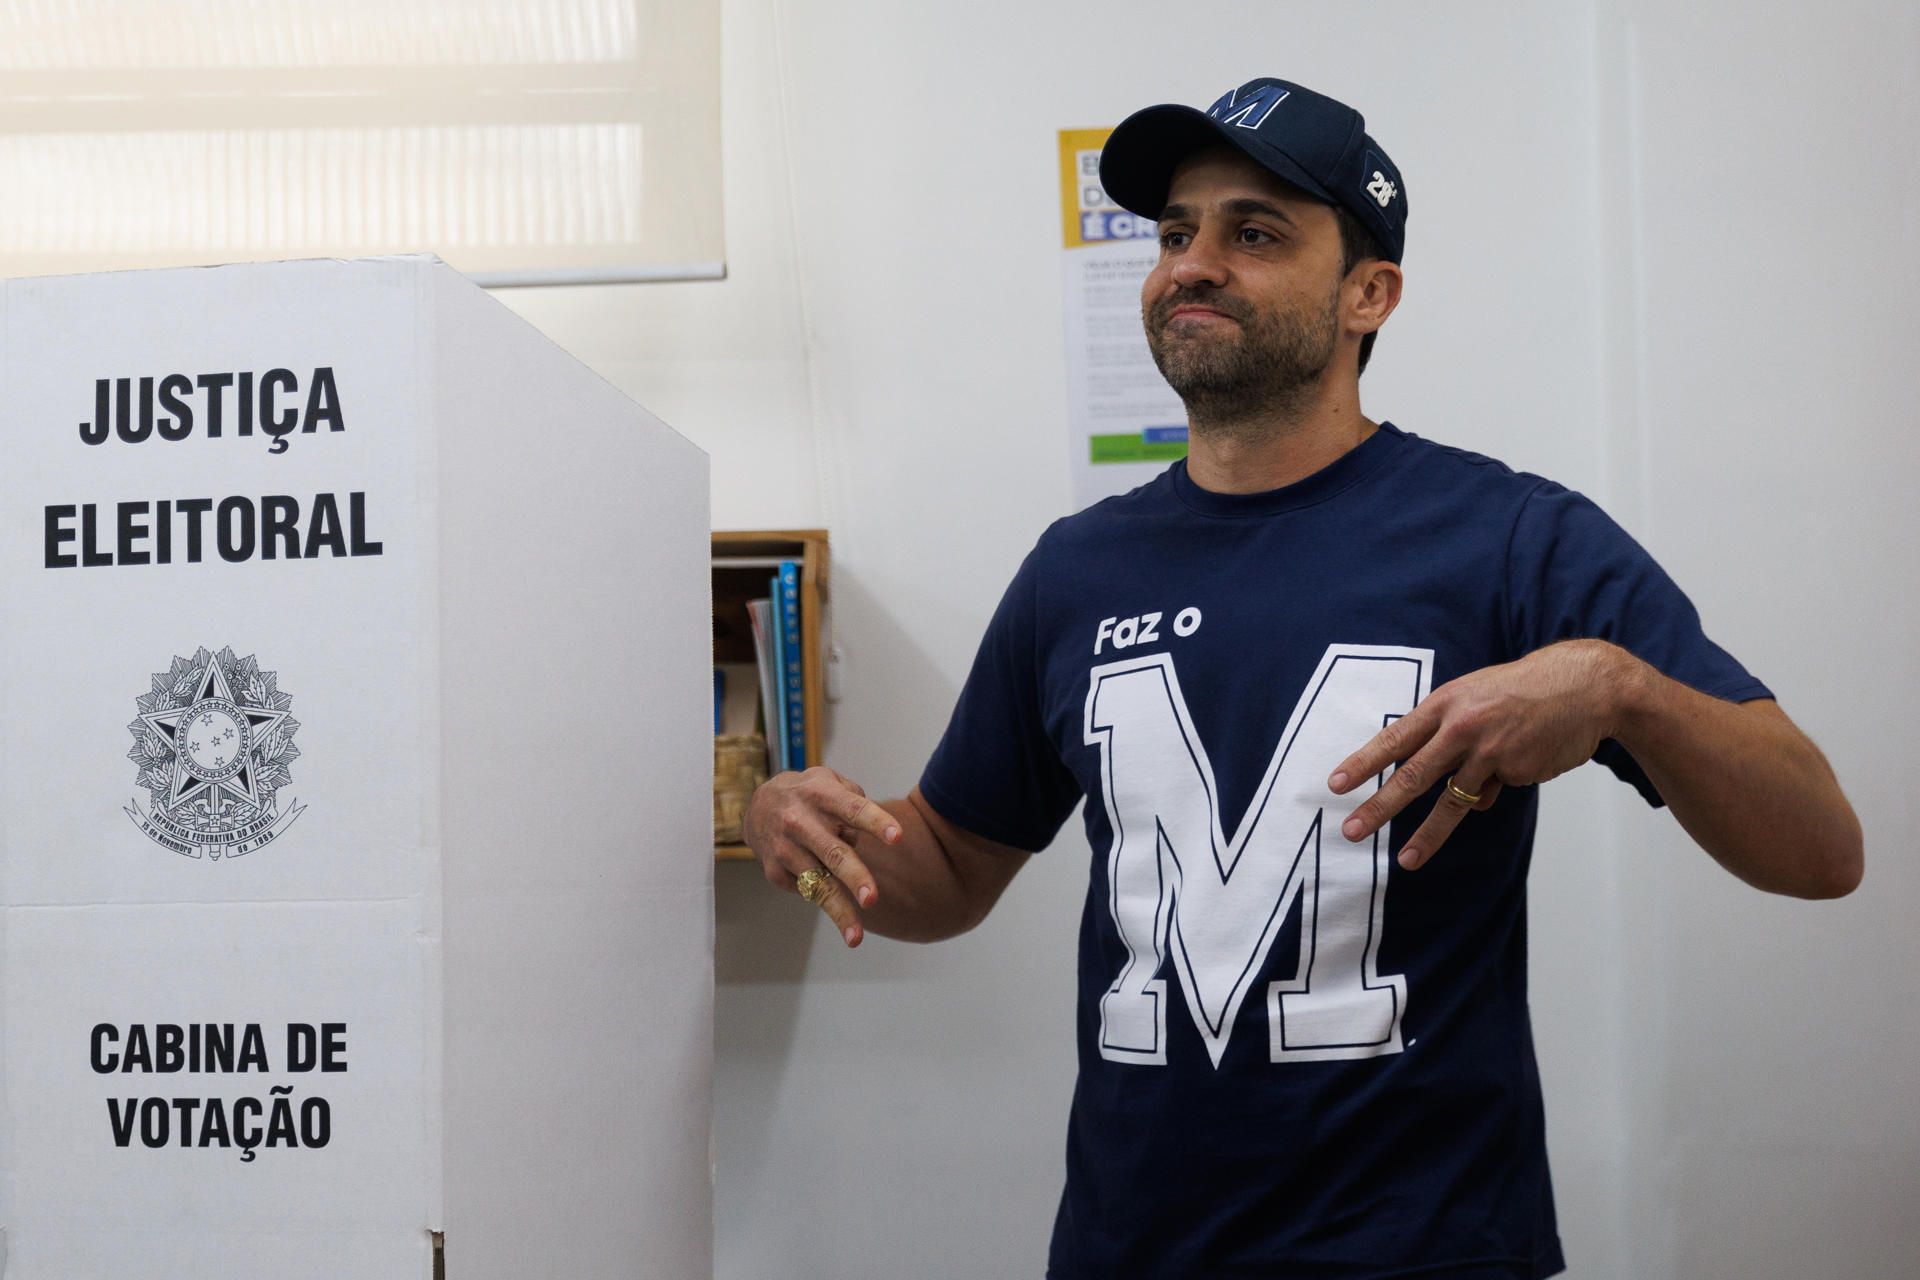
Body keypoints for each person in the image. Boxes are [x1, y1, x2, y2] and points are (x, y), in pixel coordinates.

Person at [742, 76, 1862, 1279]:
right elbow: (949, 871)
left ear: (1366, 293)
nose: (1194, 262)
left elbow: (1819, 848)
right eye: (1176, 232)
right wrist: (806, 829)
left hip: (1427, 1251)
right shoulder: (1076, 569)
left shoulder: (1512, 536)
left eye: (1255, 231)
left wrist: (1622, 687)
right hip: (1130, 1253)